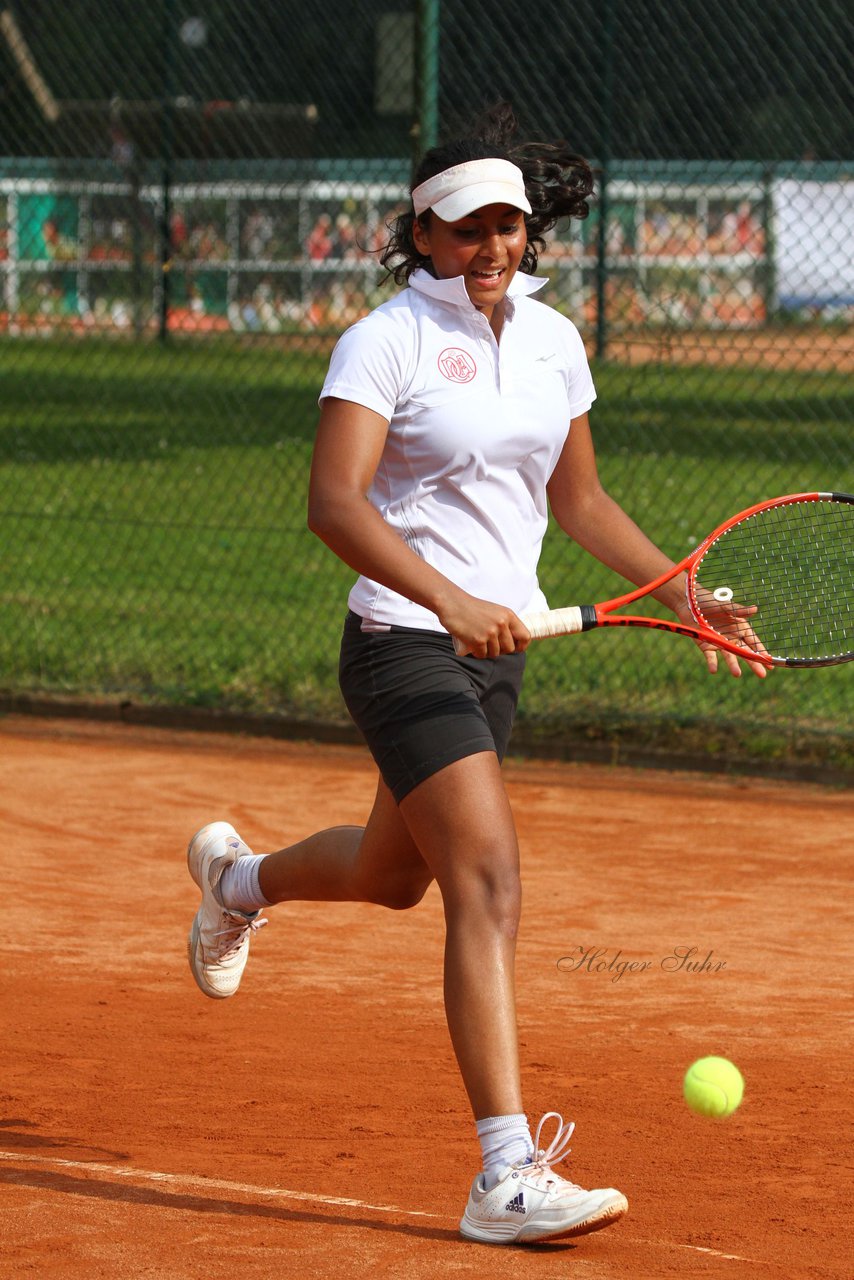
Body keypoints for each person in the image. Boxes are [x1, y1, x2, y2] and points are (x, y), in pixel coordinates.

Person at [186, 102, 766, 1247]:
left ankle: (235, 884)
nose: (489, 246)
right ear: (423, 235)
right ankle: (504, 1169)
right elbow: (334, 502)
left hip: (501, 650)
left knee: (396, 873)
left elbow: (580, 501)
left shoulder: (553, 339)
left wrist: (681, 589)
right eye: (464, 229)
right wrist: (447, 599)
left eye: (506, 224)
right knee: (486, 878)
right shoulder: (384, 339)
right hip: (403, 640)